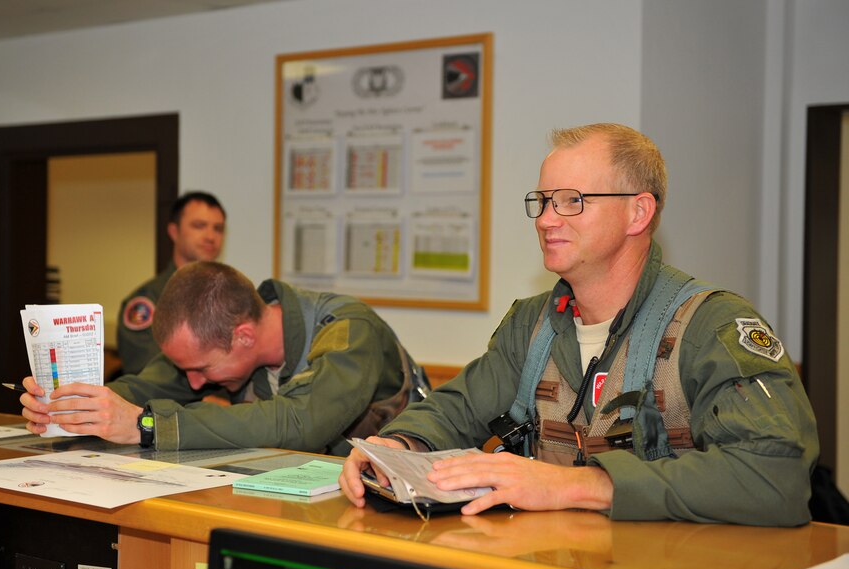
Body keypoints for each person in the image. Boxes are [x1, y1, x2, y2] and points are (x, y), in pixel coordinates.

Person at [340, 123, 819, 526]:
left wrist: (580, 485)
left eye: (572, 200)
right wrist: (394, 448)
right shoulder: (532, 323)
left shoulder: (711, 325)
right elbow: (455, 409)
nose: (547, 220)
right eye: (543, 200)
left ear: (639, 211)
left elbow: (776, 476)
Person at [20, 262, 428, 455]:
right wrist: (76, 406)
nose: (194, 383)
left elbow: (299, 423)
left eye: (202, 370)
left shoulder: (349, 331)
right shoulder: (212, 340)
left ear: (244, 336)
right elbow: (143, 387)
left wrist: (145, 425)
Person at [117, 191, 226, 375]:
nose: (210, 236)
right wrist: (210, 403)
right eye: (199, 226)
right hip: (177, 403)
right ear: (174, 232)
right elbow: (147, 376)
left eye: (218, 228)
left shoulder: (230, 296)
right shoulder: (148, 301)